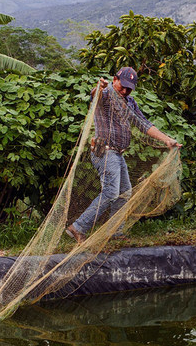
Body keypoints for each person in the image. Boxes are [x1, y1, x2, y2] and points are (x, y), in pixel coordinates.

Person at [66, 67, 181, 243]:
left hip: (118, 154)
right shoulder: (106, 94)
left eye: (129, 88)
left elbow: (144, 124)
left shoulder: (130, 102)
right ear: (115, 80)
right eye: (123, 86)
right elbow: (94, 95)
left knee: (124, 193)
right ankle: (78, 227)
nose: (125, 91)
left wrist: (167, 140)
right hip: (104, 151)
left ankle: (114, 232)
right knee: (111, 192)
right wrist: (100, 87)